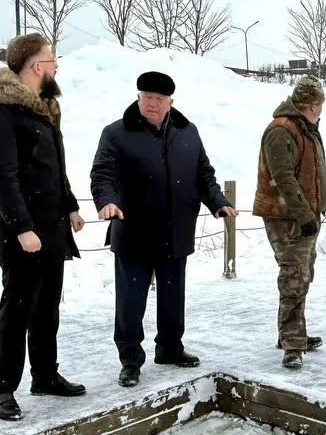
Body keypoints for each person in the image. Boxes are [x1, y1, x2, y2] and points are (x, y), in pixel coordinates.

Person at [90, 71, 236, 388]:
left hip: (176, 230)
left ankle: (170, 348)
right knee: (130, 302)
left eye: (159, 99)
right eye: (147, 97)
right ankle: (130, 360)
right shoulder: (117, 133)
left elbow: (204, 175)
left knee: (173, 297)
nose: (152, 104)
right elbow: (103, 174)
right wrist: (106, 201)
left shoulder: (188, 132)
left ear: (170, 102)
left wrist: (218, 201)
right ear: (138, 97)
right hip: (134, 233)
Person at [0, 33, 87, 422]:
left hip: (51, 226)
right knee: (18, 308)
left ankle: (45, 375)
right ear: (37, 66)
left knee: (48, 305)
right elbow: (1, 175)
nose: (55, 66)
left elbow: (56, 164)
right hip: (19, 229)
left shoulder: (46, 106)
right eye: (51, 60)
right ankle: (2, 388)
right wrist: (21, 226)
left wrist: (69, 205)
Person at [252, 75, 326, 370]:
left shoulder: (304, 128)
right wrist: (304, 214)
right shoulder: (282, 130)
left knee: (303, 273)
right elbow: (283, 178)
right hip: (288, 217)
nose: (320, 110)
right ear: (310, 104)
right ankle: (292, 344)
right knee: (294, 277)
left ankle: (293, 334)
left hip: (303, 214)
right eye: (318, 104)